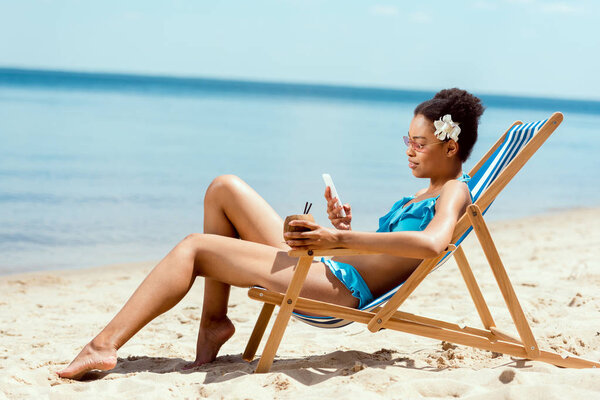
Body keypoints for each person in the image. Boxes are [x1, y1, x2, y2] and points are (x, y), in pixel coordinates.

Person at [58, 88, 485, 379]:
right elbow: (385, 257)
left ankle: (103, 344)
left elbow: (431, 244)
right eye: (406, 139)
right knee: (223, 187)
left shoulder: (454, 190)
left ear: (450, 147)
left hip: (335, 290)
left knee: (194, 247)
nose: (408, 150)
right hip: (329, 267)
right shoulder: (423, 191)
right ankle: (214, 323)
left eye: (420, 143)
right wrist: (343, 228)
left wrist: (338, 241)